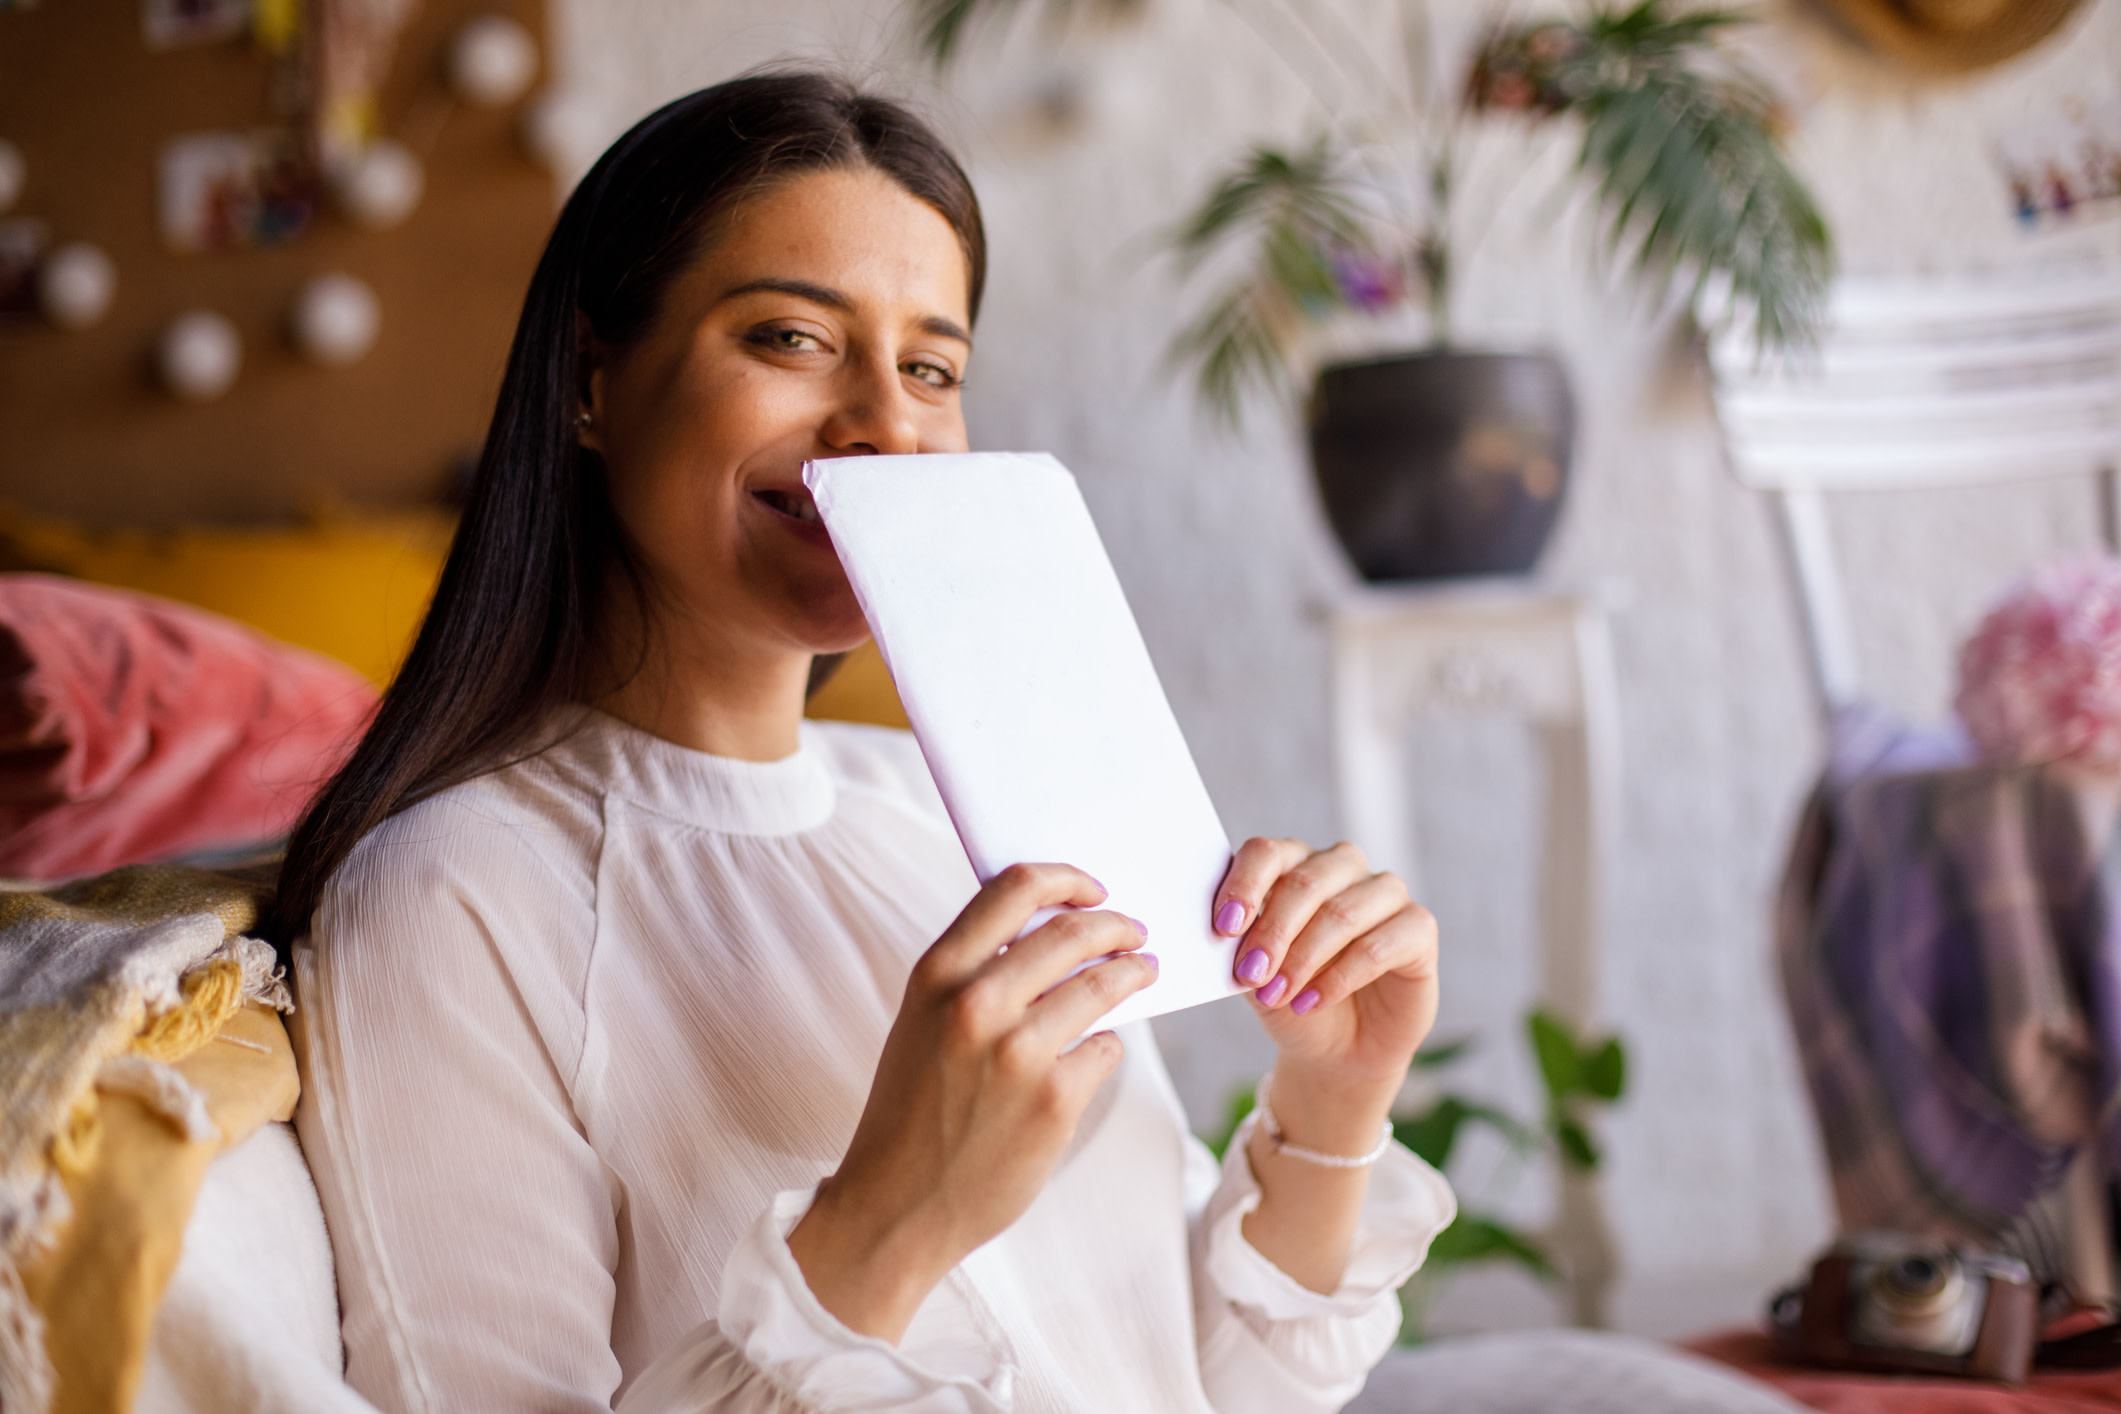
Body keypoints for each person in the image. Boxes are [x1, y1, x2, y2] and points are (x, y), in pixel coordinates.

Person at [276, 71, 1453, 1414]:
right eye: (789, 338)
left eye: (931, 367)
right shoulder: (450, 898)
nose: (886, 426)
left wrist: (1332, 1099)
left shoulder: (953, 811)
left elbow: (1214, 1379)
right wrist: (888, 1224)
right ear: (591, 382)